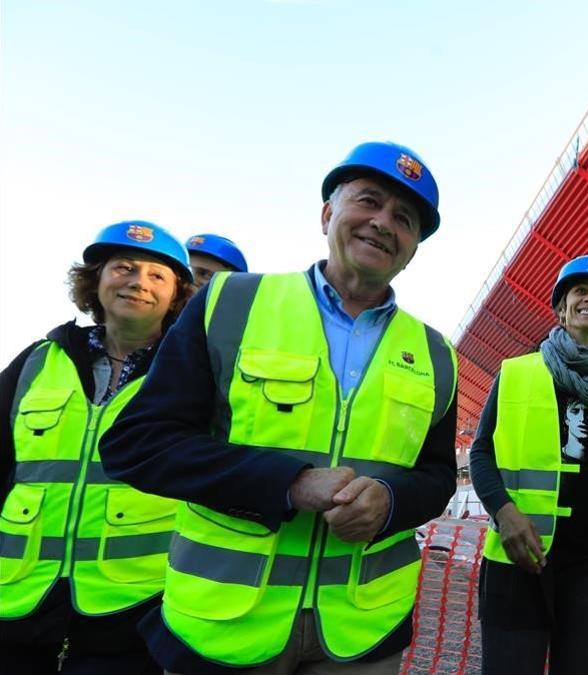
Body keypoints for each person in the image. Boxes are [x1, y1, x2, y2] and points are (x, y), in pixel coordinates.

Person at [98, 141, 458, 674]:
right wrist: (289, 483)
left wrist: (388, 499)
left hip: (363, 632)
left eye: (404, 218)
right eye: (368, 201)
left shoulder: (435, 354)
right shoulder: (229, 304)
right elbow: (139, 443)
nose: (384, 223)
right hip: (224, 628)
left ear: (413, 248)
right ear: (327, 213)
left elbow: (436, 477)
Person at [0, 221, 194, 674]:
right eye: (122, 267)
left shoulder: (190, 373)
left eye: (156, 276)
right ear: (96, 280)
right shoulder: (36, 361)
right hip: (16, 599)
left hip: (135, 609)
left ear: (176, 296)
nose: (137, 282)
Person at [469, 255, 588, 674]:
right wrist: (505, 513)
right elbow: (481, 453)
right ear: (562, 307)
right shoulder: (517, 374)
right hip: (521, 560)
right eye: (580, 291)